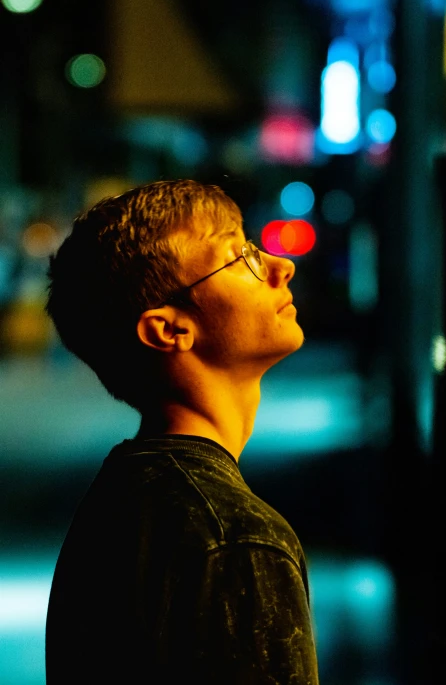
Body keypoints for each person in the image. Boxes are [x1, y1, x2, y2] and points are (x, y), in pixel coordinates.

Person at [45, 178, 320, 684]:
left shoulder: (124, 496)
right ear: (169, 329)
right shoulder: (235, 537)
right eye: (241, 259)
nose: (282, 266)